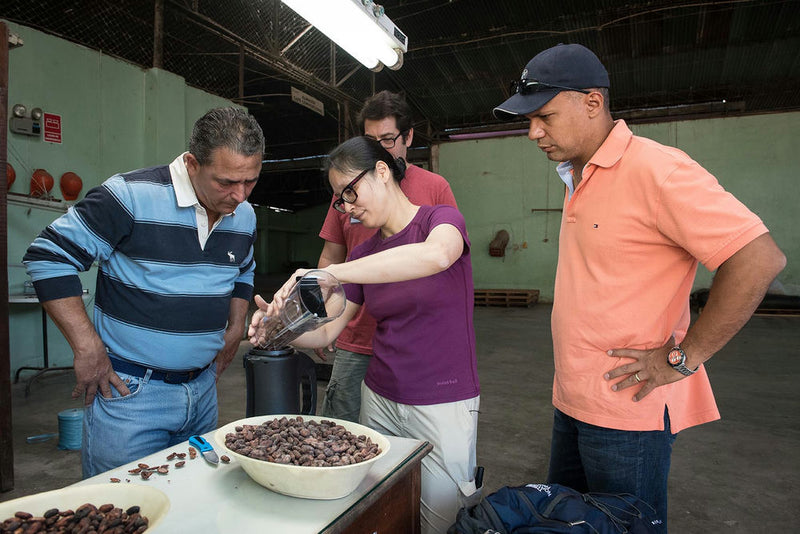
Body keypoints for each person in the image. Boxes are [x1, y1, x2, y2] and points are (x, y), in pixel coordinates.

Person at [493, 43, 786, 531]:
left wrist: (682, 358)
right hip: (571, 399)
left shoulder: (659, 170)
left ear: (592, 102)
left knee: (626, 524)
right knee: (566, 521)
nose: (533, 133)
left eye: (544, 116)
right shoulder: (575, 173)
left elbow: (758, 259)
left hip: (628, 414)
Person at [250, 136, 480, 534]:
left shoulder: (440, 221)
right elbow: (328, 333)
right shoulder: (362, 255)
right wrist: (278, 330)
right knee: (383, 510)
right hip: (379, 397)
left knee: (441, 519)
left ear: (382, 171)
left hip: (442, 400)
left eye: (350, 192)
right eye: (340, 200)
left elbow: (436, 256)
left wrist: (328, 273)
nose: (348, 207)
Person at [23, 107, 265, 478]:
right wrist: (87, 346)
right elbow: (48, 257)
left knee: (193, 504)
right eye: (226, 182)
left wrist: (235, 326)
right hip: (130, 395)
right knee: (122, 507)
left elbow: (243, 269)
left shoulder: (244, 214)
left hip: (202, 391)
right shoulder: (129, 197)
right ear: (191, 163)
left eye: (250, 181)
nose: (239, 195)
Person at [317, 90, 458, 422]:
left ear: (408, 137)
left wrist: (340, 273)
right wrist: (321, 317)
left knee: (409, 443)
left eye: (388, 139)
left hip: (414, 342)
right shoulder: (346, 196)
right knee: (343, 434)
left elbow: (445, 260)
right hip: (355, 334)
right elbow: (330, 257)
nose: (379, 149)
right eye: (370, 140)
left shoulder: (435, 190)